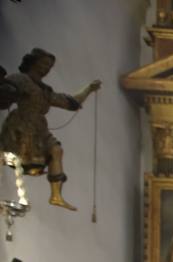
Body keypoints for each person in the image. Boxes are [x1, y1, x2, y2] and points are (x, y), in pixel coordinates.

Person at [0, 48, 100, 210]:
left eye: (49, 66)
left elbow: (70, 102)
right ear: (33, 62)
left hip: (39, 128)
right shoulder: (21, 79)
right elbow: (7, 90)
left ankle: (56, 195)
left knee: (56, 151)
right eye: (44, 63)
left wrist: (89, 89)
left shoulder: (45, 90)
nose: (46, 68)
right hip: (21, 124)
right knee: (9, 155)